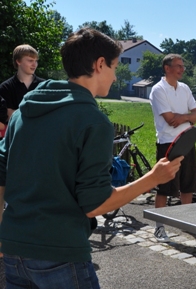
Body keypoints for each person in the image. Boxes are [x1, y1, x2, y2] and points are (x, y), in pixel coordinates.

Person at [0, 28, 181, 288]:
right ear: (99, 64)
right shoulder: (94, 122)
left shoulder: (21, 114)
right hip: (60, 252)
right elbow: (95, 205)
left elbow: (1, 173)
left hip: (14, 250)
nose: (116, 75)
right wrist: (152, 178)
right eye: (115, 66)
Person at [149, 53, 196, 242]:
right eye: (178, 66)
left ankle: (186, 223)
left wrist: (183, 117)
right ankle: (159, 227)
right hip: (168, 144)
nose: (182, 69)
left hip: (187, 141)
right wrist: (186, 118)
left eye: (182, 66)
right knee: (165, 188)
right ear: (167, 68)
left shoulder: (185, 88)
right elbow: (170, 120)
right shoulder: (158, 90)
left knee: (188, 185)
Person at [0, 44, 45, 137]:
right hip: (16, 137)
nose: (34, 64)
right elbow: (8, 116)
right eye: (30, 60)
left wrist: (17, 112)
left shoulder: (44, 85)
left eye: (36, 61)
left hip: (40, 136)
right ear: (18, 61)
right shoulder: (5, 87)